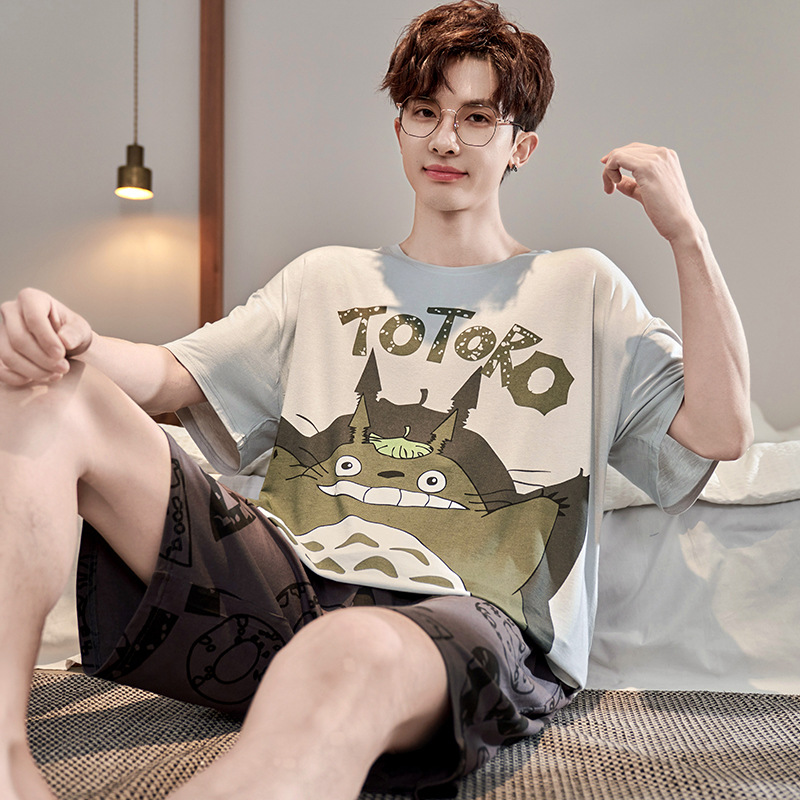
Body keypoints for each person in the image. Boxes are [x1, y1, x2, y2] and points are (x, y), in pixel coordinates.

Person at [0, 1, 751, 798]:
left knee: (351, 650)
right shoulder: (324, 278)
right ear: (400, 129)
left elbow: (720, 430)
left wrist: (687, 235)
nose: (445, 140)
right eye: (425, 112)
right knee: (49, 393)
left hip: (466, 618)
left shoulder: (582, 287)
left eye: (477, 118)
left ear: (521, 146)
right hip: (283, 591)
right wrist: (65, 340)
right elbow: (165, 375)